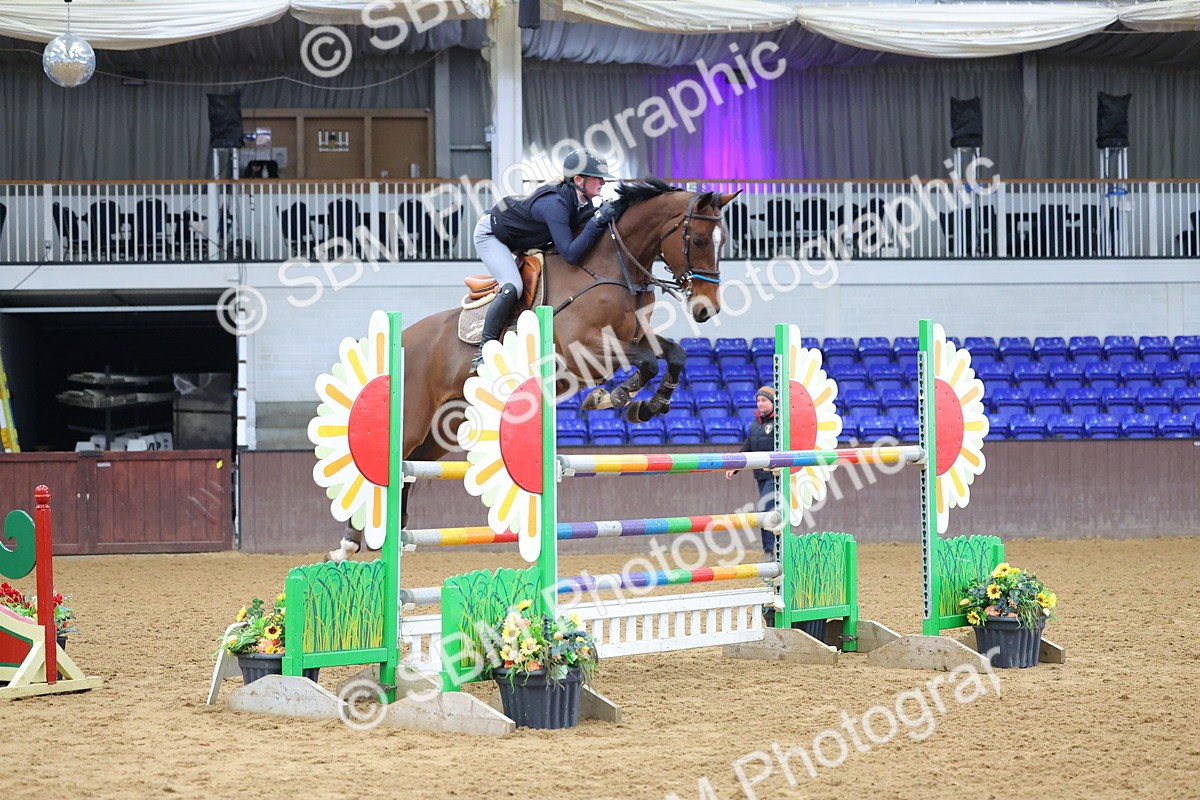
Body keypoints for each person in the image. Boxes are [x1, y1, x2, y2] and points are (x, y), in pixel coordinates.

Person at [471, 148, 619, 371]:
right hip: (492, 235)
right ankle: (484, 349)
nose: (603, 182)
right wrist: (597, 220)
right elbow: (570, 253)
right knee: (513, 287)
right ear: (578, 179)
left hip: (524, 238)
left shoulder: (583, 203)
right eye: (597, 178)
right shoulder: (555, 205)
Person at [725, 386, 778, 557]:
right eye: (758, 401)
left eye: (764, 400)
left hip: (776, 474)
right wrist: (736, 465)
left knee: (765, 510)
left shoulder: (780, 422)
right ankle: (771, 550)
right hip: (761, 475)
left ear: (773, 402)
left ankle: (769, 551)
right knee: (769, 511)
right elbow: (748, 445)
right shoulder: (756, 422)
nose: (760, 403)